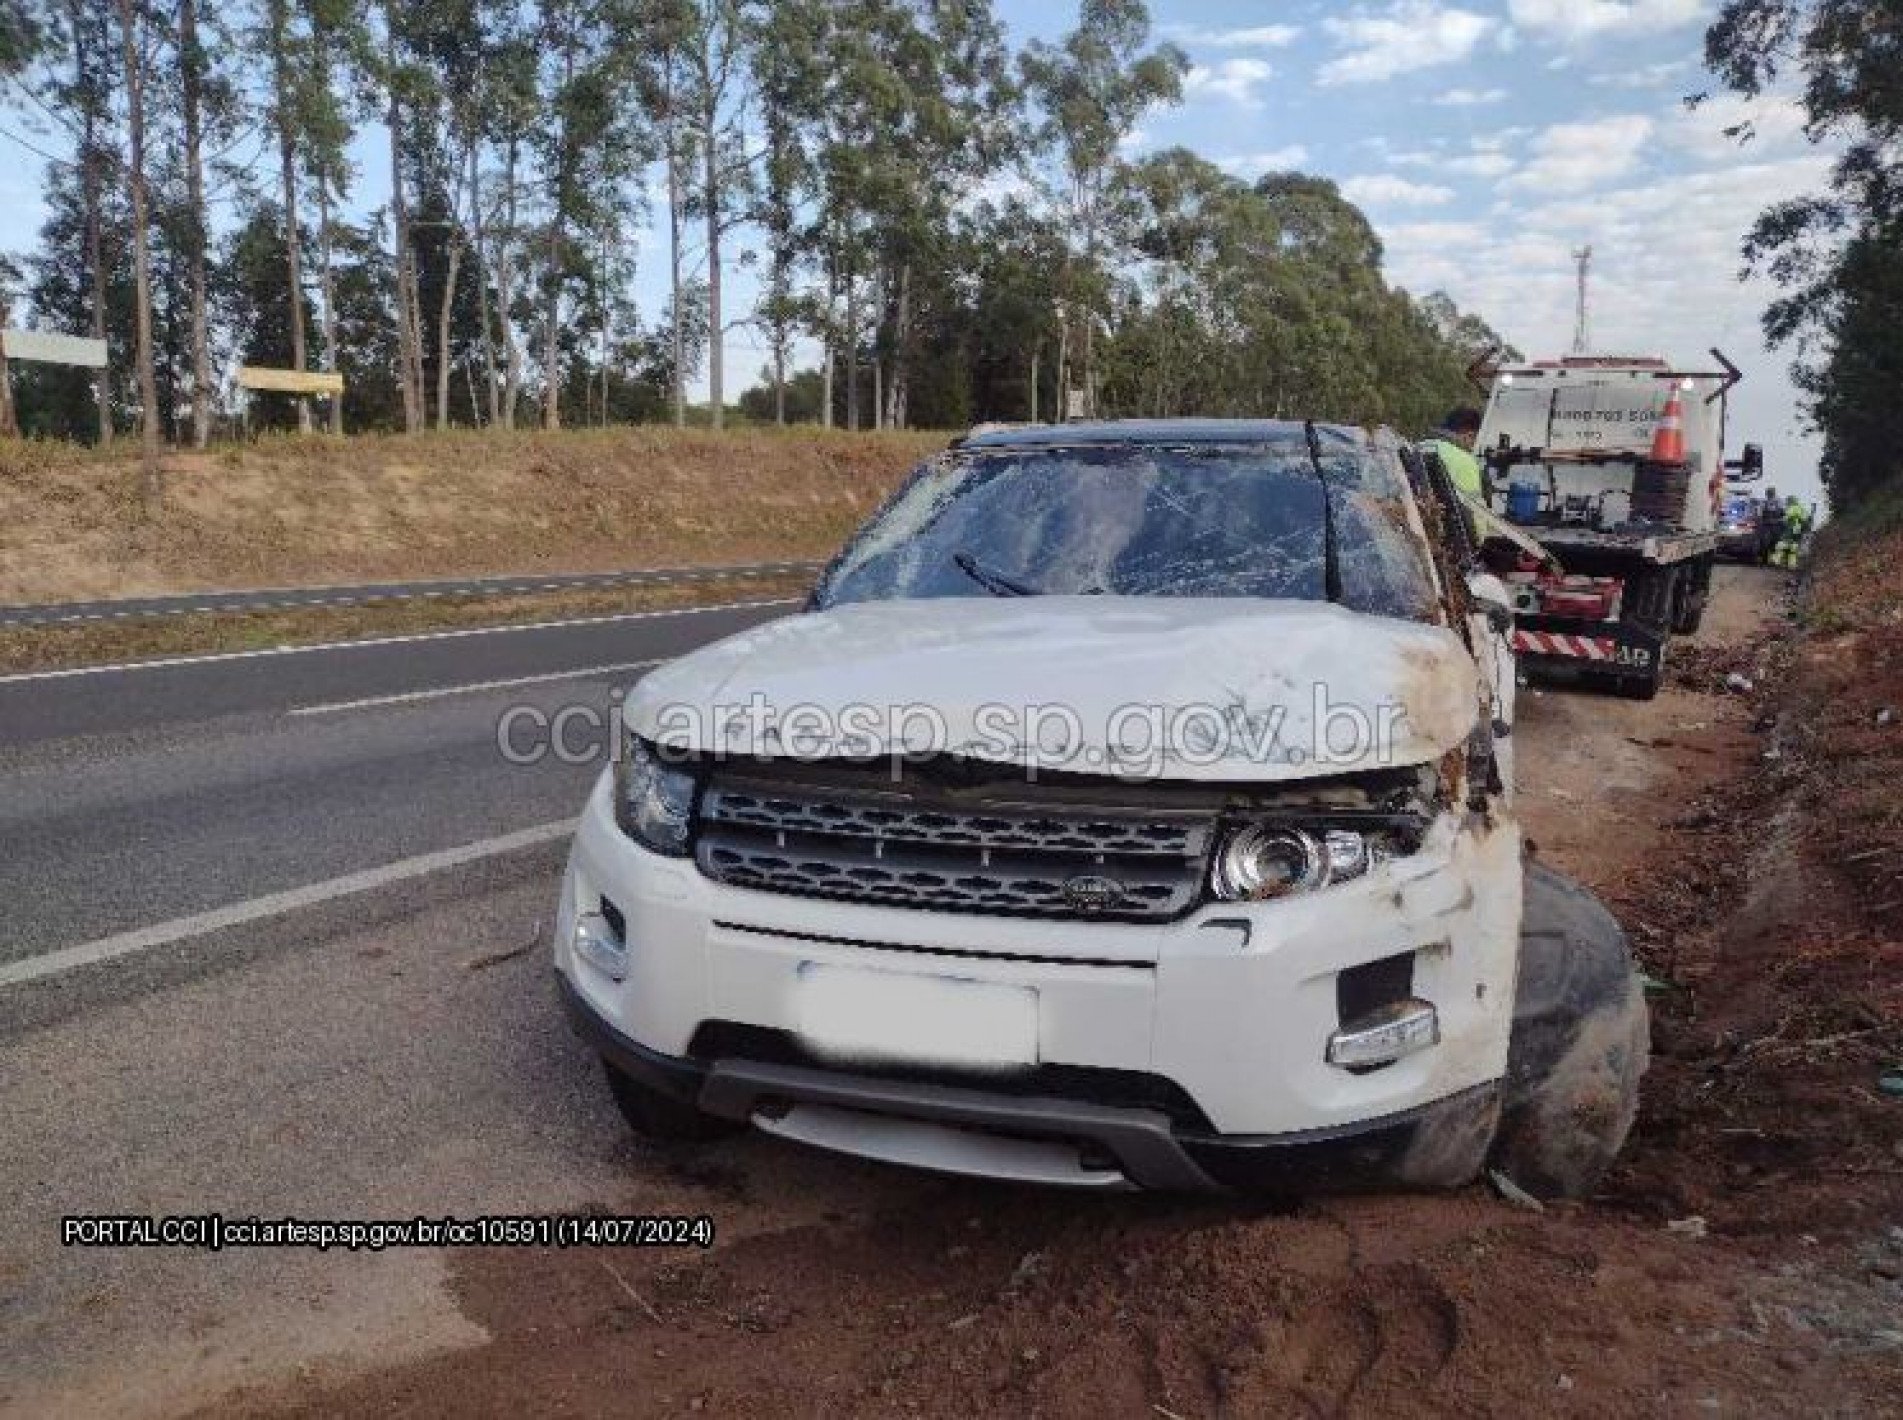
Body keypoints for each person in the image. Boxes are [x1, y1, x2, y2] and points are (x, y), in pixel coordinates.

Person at [1769, 495, 1812, 568]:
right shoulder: (1801, 508)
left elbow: (1786, 518)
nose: (1786, 503)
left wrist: (1776, 521)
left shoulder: (1792, 508)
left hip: (1791, 528)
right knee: (1793, 546)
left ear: (1790, 501)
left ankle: (1776, 560)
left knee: (1782, 543)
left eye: (1787, 501)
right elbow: (1806, 519)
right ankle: (1792, 564)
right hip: (1798, 530)